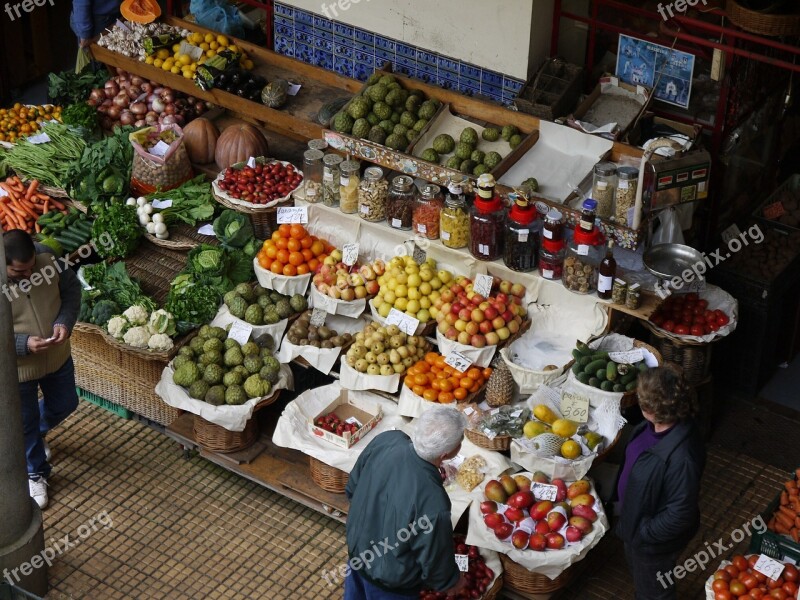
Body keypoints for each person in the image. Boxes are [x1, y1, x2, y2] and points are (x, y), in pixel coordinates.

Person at [343, 406, 468, 599]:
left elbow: (352, 489)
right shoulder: (434, 501)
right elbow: (434, 556)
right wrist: (451, 581)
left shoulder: (387, 441)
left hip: (358, 556)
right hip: (392, 584)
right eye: (461, 440)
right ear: (445, 454)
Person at [614, 364, 706, 600]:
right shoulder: (652, 425)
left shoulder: (682, 457)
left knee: (655, 593)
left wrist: (643, 533)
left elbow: (679, 514)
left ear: (650, 408)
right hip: (635, 524)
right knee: (643, 580)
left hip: (651, 542)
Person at [4, 230, 81, 509]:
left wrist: (63, 322)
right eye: (18, 272)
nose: (28, 276)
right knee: (24, 423)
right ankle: (35, 472)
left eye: (30, 268)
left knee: (66, 403)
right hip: (19, 369)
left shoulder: (48, 259)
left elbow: (72, 291)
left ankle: (35, 434)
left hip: (57, 357)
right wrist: (23, 344)